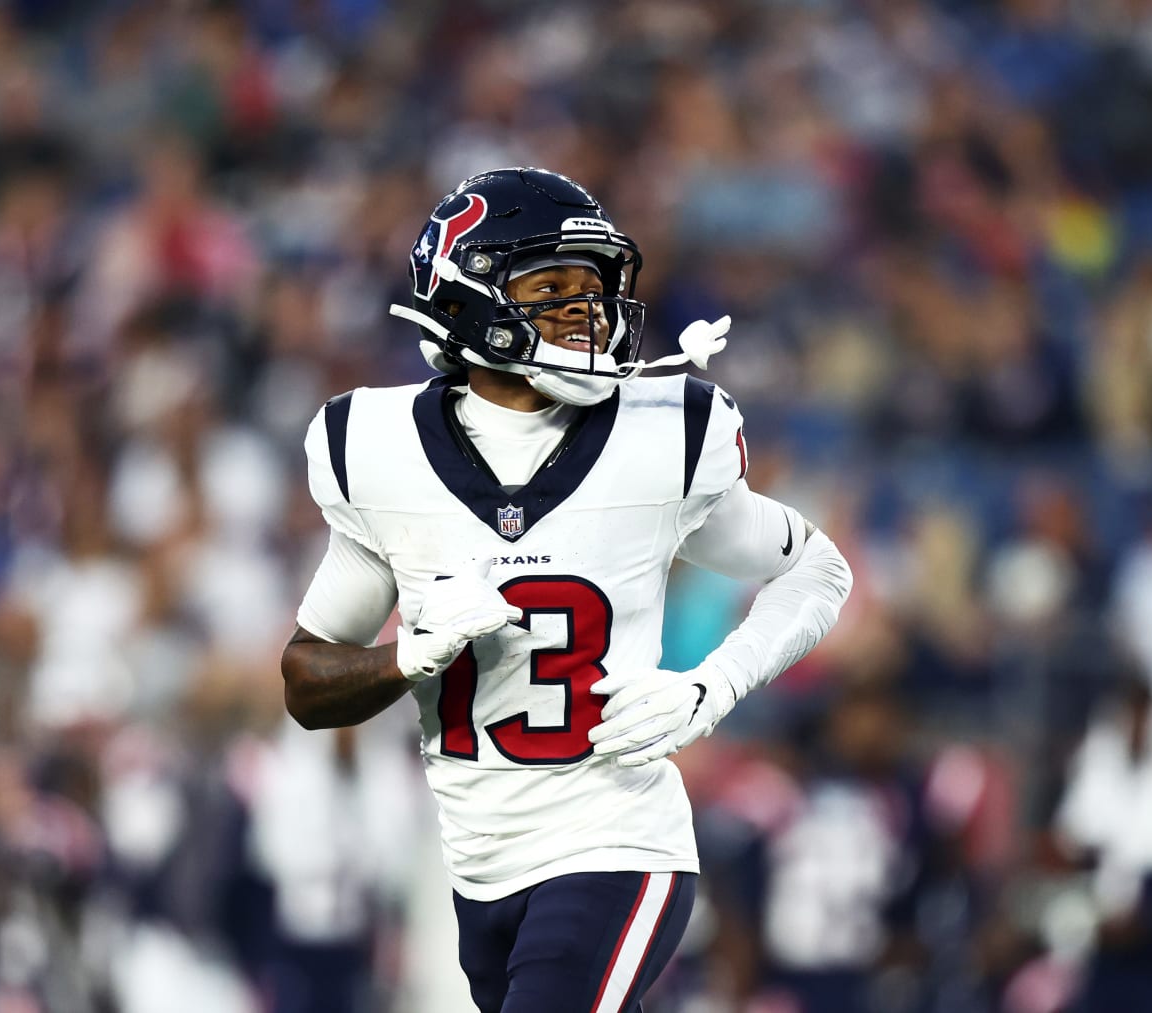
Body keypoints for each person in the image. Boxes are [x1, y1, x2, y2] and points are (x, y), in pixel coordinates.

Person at [279, 167, 854, 1013]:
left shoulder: (665, 436)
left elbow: (817, 568)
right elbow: (306, 682)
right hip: (478, 862)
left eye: (593, 289)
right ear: (466, 298)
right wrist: (408, 653)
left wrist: (711, 685)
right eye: (550, 288)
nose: (586, 312)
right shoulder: (375, 452)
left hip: (619, 841)